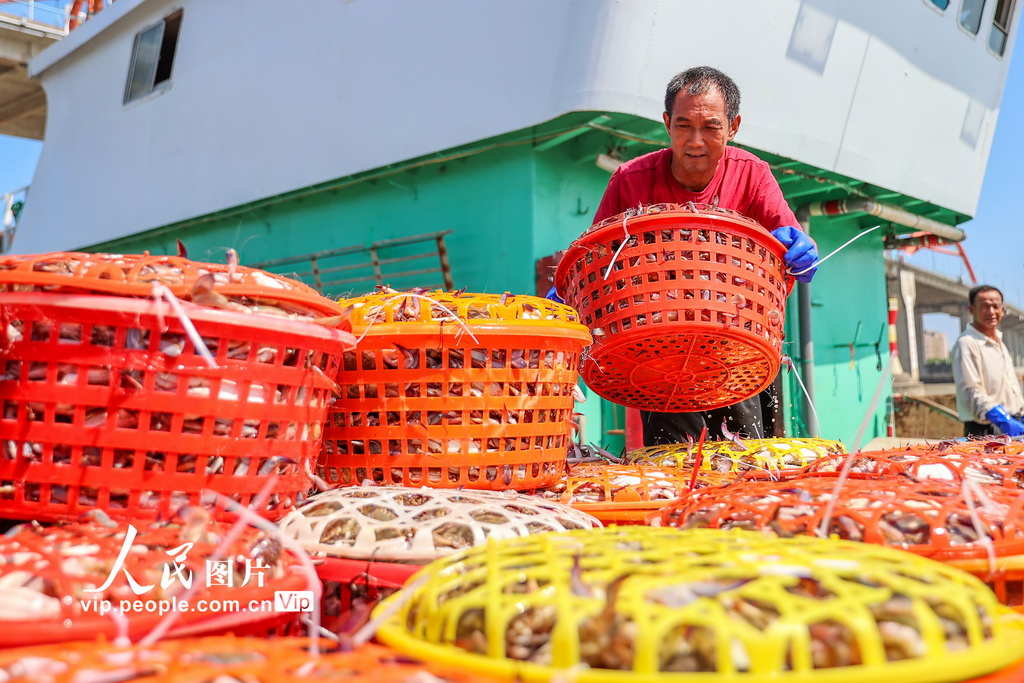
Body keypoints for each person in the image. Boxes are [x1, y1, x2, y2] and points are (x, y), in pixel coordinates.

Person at [564, 66, 818, 445]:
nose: (695, 141)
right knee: (674, 464)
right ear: (667, 124)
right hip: (658, 351)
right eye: (683, 125)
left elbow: (791, 245)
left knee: (745, 462)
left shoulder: (753, 175)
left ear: (733, 126)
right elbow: (597, 257)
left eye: (711, 127)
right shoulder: (630, 180)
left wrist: (801, 252)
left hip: (737, 346)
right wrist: (568, 296)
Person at [952, 285, 1024, 437]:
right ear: (972, 310)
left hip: (1013, 422)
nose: (991, 312)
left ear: (1002, 310)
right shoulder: (967, 343)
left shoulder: (999, 342)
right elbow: (970, 390)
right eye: (985, 307)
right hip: (987, 428)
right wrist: (1002, 419)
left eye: (995, 306)